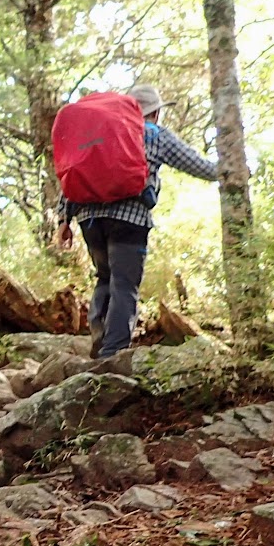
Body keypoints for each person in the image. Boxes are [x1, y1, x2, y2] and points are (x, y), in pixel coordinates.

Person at [56, 84, 218, 359]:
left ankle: (99, 338)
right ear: (155, 112)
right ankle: (113, 353)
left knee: (104, 277)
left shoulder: (100, 132)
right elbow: (196, 164)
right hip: (130, 219)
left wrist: (63, 219)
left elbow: (74, 172)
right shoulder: (154, 133)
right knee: (124, 283)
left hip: (89, 219)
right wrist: (229, 171)